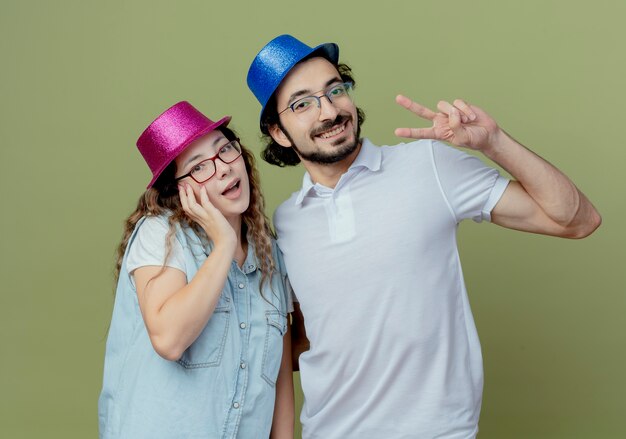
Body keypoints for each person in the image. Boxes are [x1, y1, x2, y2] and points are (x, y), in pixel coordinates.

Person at [246, 35, 601, 439]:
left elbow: (577, 219)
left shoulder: (428, 165)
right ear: (278, 132)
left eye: (335, 90)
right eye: (303, 103)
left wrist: (494, 144)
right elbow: (309, 339)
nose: (329, 111)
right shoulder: (288, 221)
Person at [98, 101, 294, 439]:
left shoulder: (271, 256)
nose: (222, 169)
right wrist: (222, 246)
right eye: (199, 167)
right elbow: (169, 340)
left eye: (226, 150)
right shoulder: (160, 234)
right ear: (178, 191)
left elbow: (280, 384)